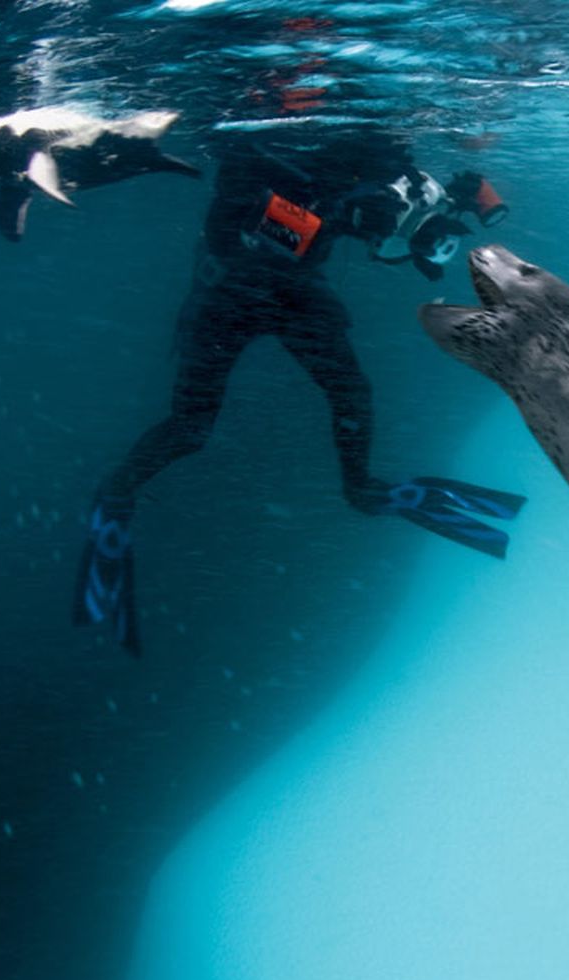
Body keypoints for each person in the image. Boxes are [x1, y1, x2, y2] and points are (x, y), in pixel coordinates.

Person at [72, 127, 521, 655]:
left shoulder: (374, 158)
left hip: (295, 289)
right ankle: (118, 491)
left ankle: (362, 487)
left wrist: (432, 213)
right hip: (229, 287)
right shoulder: (270, 144)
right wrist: (338, 212)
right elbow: (241, 204)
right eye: (389, 147)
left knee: (351, 392)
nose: (398, 154)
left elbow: (390, 246)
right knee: (192, 426)